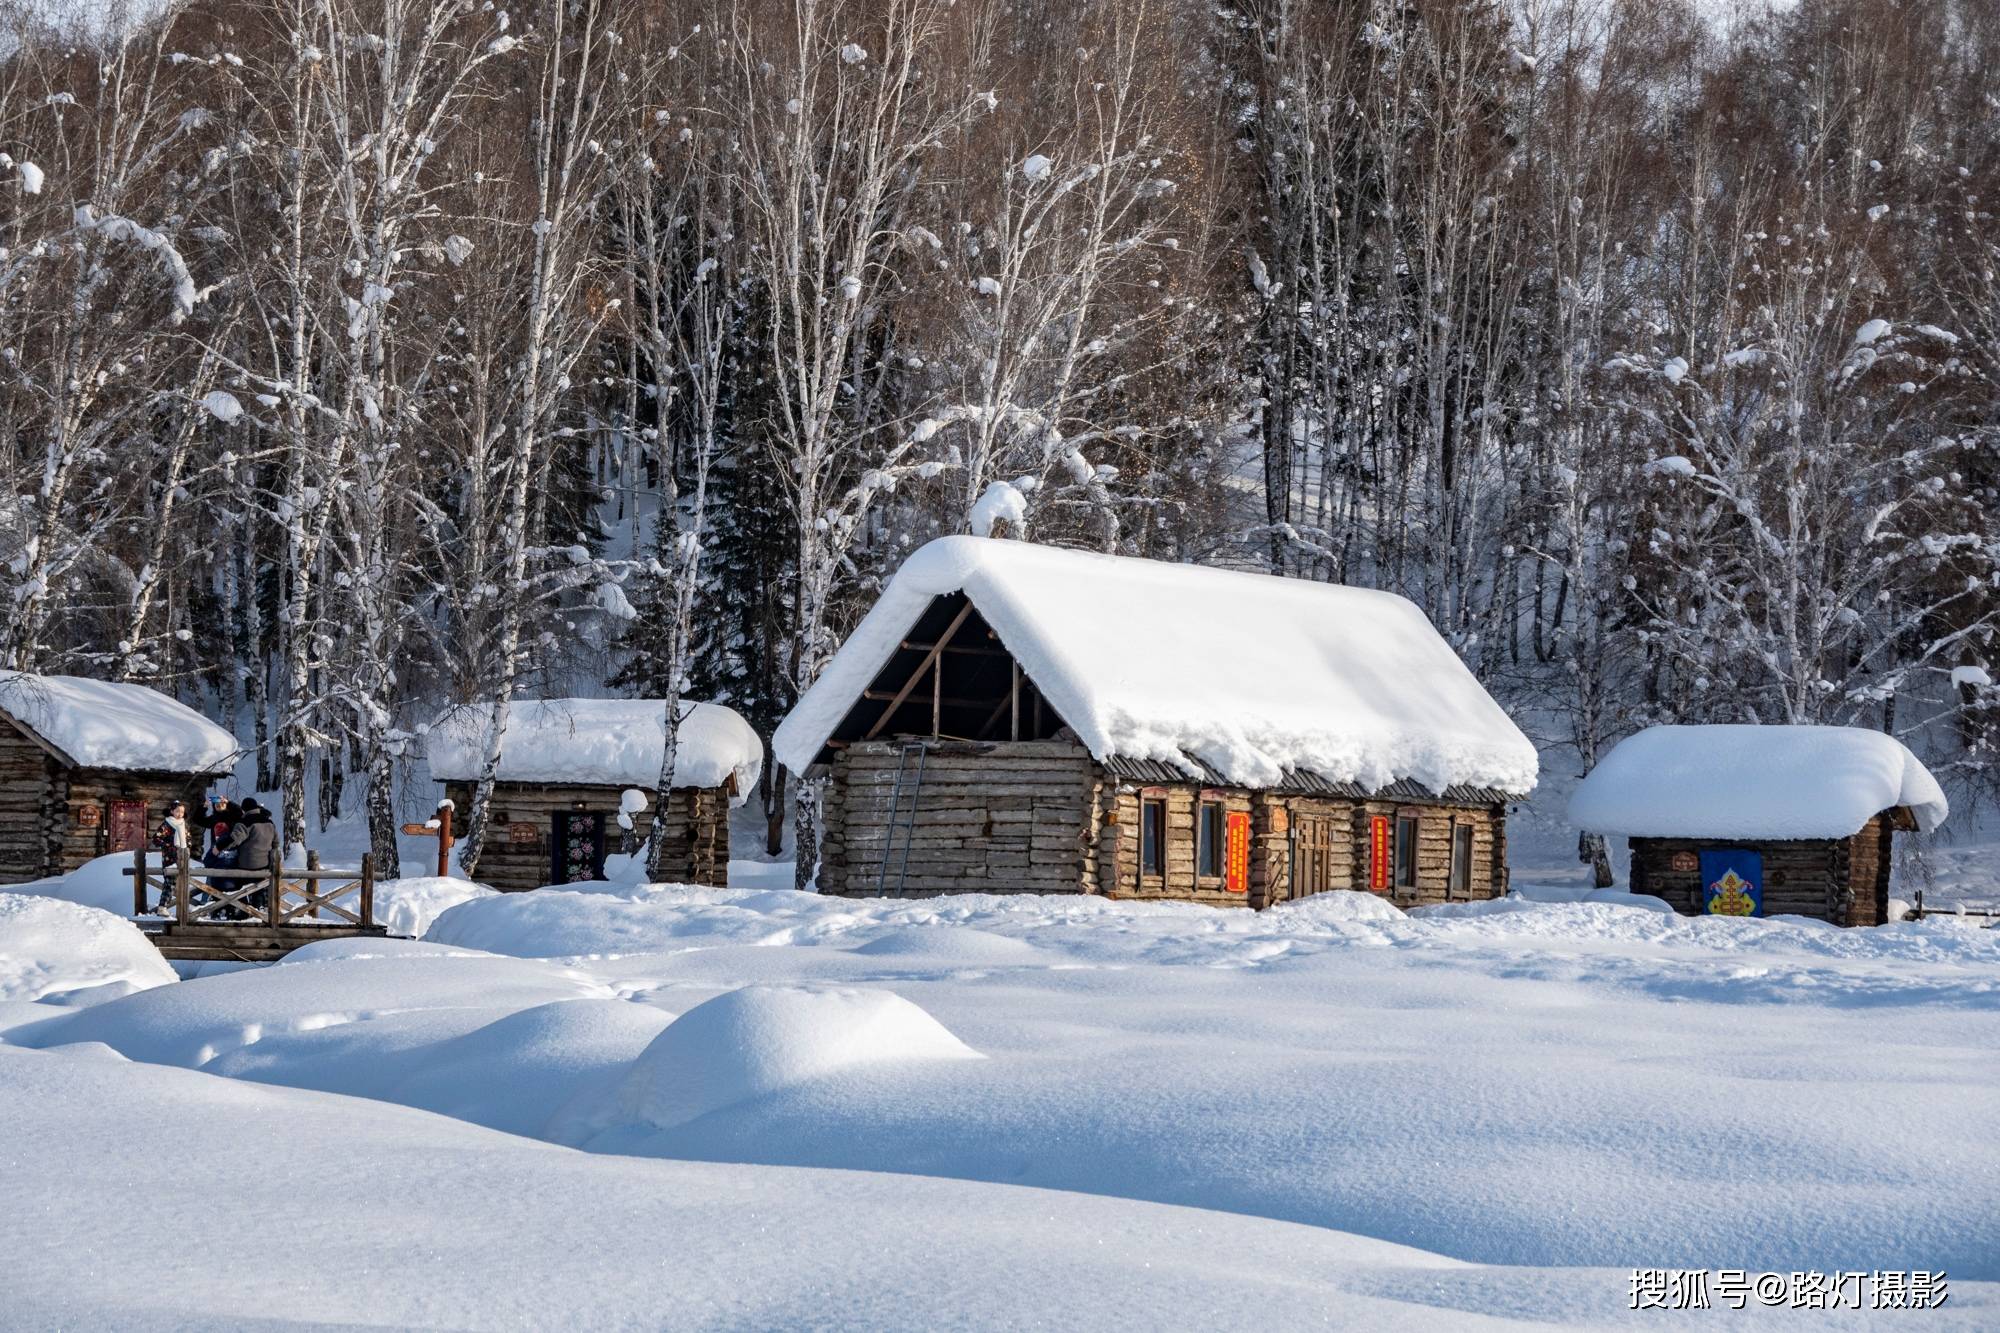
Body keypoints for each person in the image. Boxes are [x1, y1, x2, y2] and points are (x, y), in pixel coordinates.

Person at [227, 798, 278, 916]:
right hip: (265, 863)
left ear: (244, 809)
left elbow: (234, 840)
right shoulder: (270, 823)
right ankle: (258, 911)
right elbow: (276, 842)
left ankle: (243, 911)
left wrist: (220, 846)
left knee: (239, 886)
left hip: (247, 863)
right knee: (259, 888)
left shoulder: (245, 822)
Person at [151, 801, 191, 916]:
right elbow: (156, 839)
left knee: (184, 882)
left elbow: (188, 838)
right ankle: (162, 907)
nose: (180, 814)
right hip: (170, 858)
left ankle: (185, 907)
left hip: (183, 858)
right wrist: (169, 846)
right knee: (170, 882)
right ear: (172, 811)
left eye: (182, 812)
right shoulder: (167, 824)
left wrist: (188, 847)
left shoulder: (184, 824)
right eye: (177, 811)